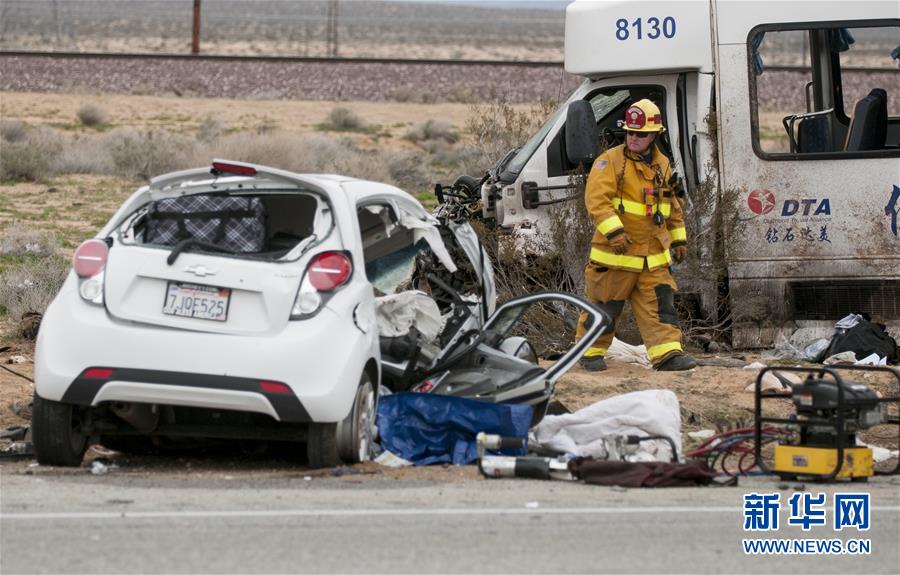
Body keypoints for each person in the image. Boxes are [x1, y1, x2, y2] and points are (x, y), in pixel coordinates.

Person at [575, 98, 697, 372]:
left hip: (652, 258)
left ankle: (667, 355)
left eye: (640, 134)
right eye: (630, 132)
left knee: (661, 307)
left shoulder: (662, 165)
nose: (633, 138)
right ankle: (589, 352)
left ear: (655, 135)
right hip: (616, 256)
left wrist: (678, 239)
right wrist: (614, 232)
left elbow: (671, 207)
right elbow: (597, 201)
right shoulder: (609, 162)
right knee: (604, 306)